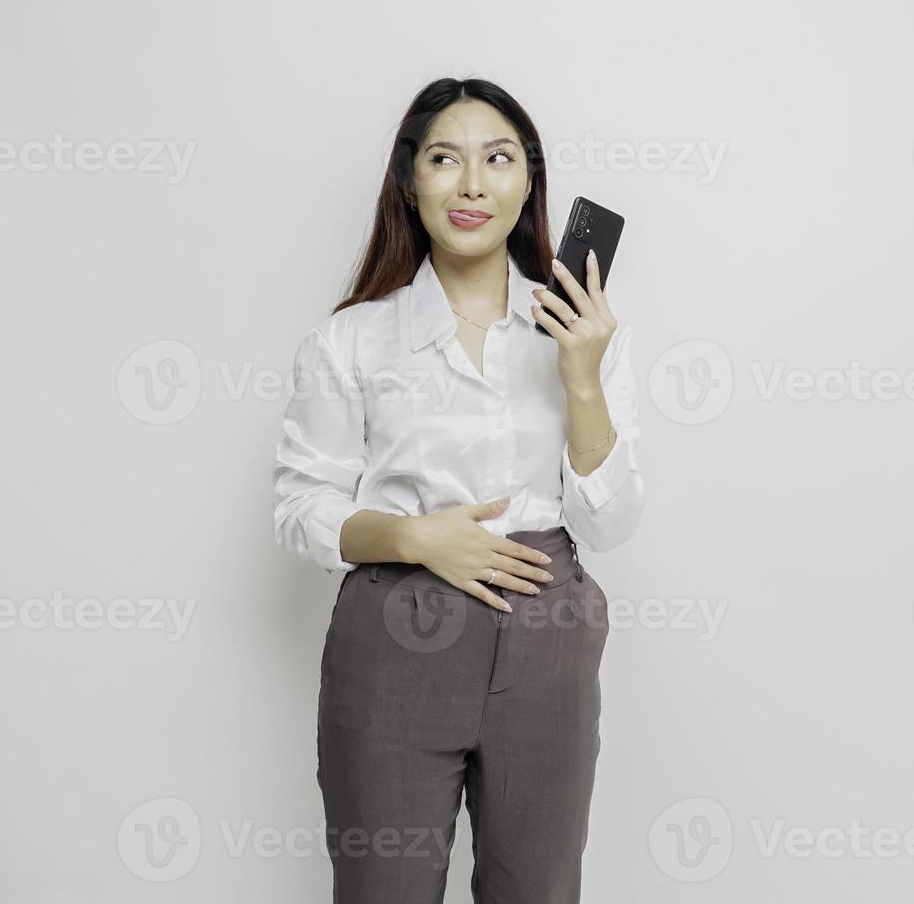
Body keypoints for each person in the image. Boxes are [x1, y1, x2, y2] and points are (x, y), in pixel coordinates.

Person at [270, 76, 646, 903]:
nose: (473, 184)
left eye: (498, 159)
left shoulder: (579, 333)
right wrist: (413, 538)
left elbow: (611, 523)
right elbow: (301, 510)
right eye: (445, 158)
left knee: (538, 890)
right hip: (396, 631)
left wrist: (581, 378)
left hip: (547, 632)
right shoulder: (352, 341)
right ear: (412, 181)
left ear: (528, 184)